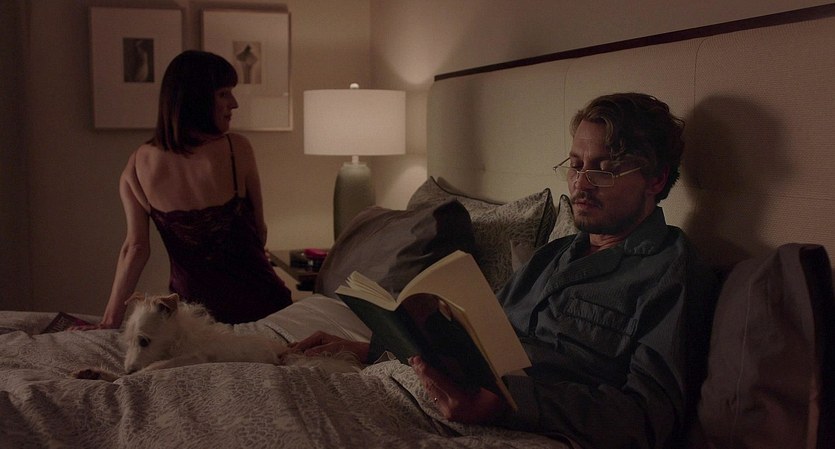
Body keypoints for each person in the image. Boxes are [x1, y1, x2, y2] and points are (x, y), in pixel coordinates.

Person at [293, 93, 719, 448]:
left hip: (522, 427)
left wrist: (507, 404)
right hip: (437, 400)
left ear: (656, 179)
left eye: (604, 170)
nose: (581, 184)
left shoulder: (671, 272)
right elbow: (473, 343)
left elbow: (646, 419)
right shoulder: (553, 255)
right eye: (575, 164)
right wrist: (371, 348)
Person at [78, 50, 292, 329]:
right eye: (224, 94)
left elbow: (135, 248)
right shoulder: (236, 149)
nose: (234, 103)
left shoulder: (137, 165)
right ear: (197, 99)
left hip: (195, 321)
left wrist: (109, 321)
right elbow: (260, 232)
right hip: (264, 309)